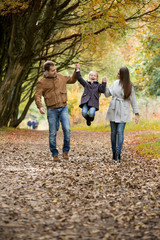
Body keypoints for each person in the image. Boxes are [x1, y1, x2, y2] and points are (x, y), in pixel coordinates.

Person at [35, 61, 77, 161]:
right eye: (53, 70)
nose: (55, 72)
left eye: (55, 69)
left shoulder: (60, 77)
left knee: (67, 130)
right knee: (53, 132)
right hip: (51, 110)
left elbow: (72, 80)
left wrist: (76, 71)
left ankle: (65, 151)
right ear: (46, 71)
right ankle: (54, 153)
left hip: (63, 107)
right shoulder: (41, 82)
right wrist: (40, 106)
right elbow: (37, 95)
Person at [104, 66, 139, 163]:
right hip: (113, 109)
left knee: (120, 132)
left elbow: (133, 100)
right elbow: (107, 94)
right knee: (113, 133)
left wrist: (136, 113)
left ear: (123, 75)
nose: (117, 75)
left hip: (123, 110)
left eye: (119, 73)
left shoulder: (129, 86)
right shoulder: (115, 83)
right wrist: (105, 84)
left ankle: (118, 154)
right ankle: (114, 153)